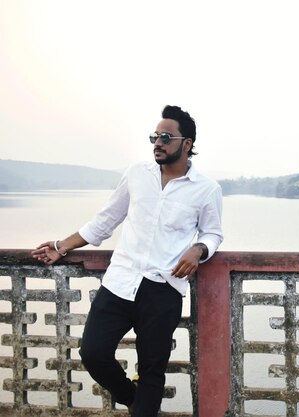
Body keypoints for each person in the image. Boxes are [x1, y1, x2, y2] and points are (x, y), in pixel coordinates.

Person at [31, 105, 224, 416]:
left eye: (165, 137)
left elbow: (213, 234)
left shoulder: (206, 190)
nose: (157, 143)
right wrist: (61, 246)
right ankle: (133, 400)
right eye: (154, 137)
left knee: (152, 372)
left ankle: (144, 407)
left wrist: (198, 249)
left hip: (163, 290)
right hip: (120, 283)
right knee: (93, 353)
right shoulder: (137, 174)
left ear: (187, 144)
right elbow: (106, 220)